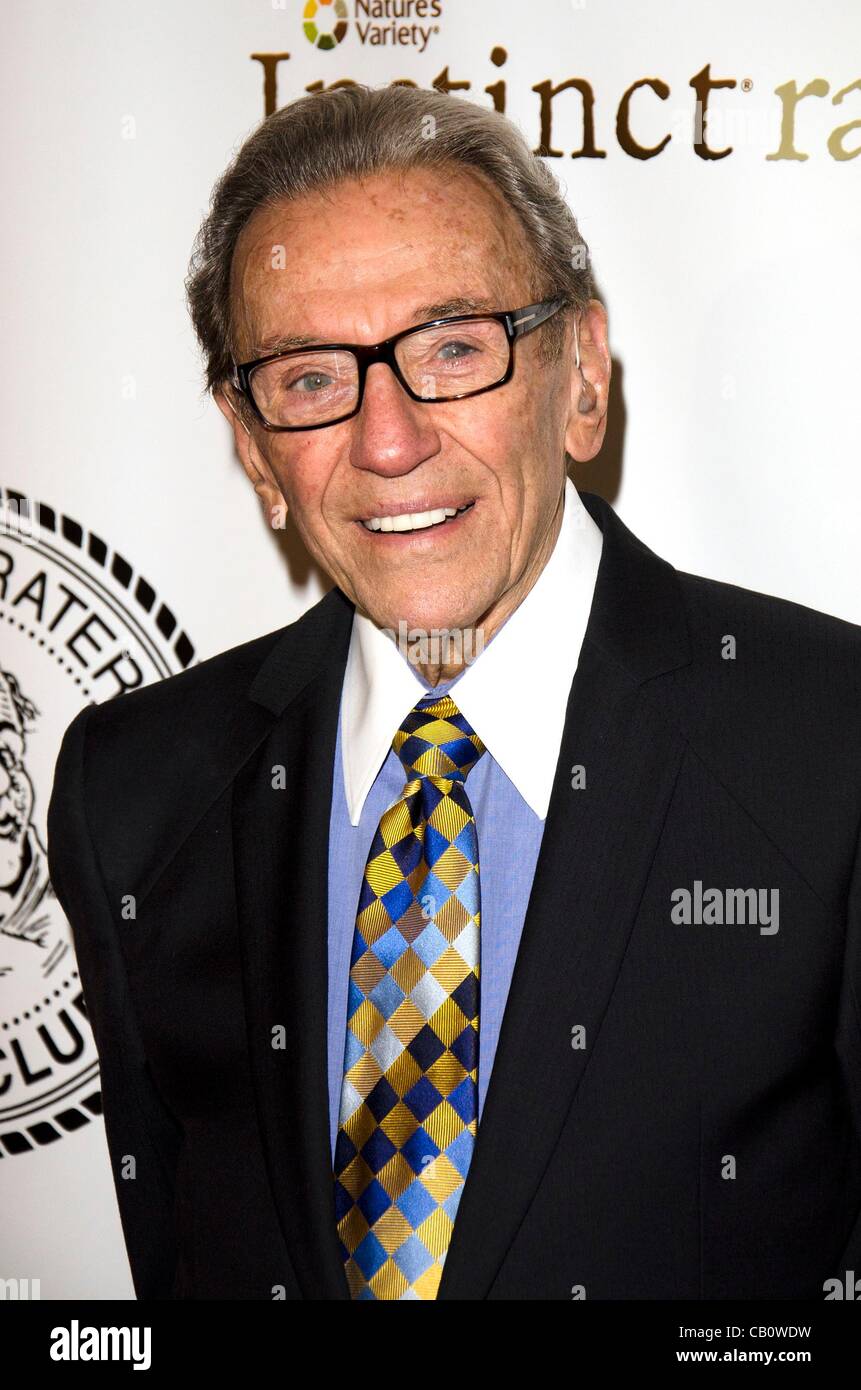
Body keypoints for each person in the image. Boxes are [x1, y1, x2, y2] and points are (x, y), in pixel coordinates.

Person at [47, 83, 861, 1301]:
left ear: (581, 376)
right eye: (314, 378)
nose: (389, 439)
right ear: (253, 444)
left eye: (454, 349)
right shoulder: (137, 792)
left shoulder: (831, 745)